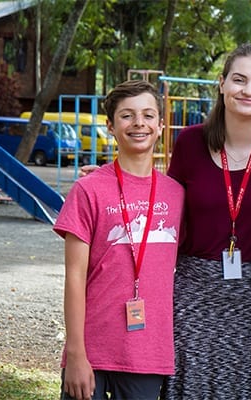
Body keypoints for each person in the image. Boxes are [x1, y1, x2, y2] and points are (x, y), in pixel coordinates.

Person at [159, 43, 251, 399]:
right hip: (194, 288)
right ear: (221, 84)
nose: (249, 91)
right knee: (191, 386)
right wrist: (115, 182)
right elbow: (166, 204)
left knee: (248, 386)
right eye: (239, 80)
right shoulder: (190, 142)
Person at [54, 80, 184, 400]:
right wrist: (75, 354)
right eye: (127, 116)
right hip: (91, 352)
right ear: (110, 126)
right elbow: (74, 276)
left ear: (160, 124)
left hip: (147, 354)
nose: (139, 123)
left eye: (148, 115)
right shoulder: (89, 190)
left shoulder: (177, 194)